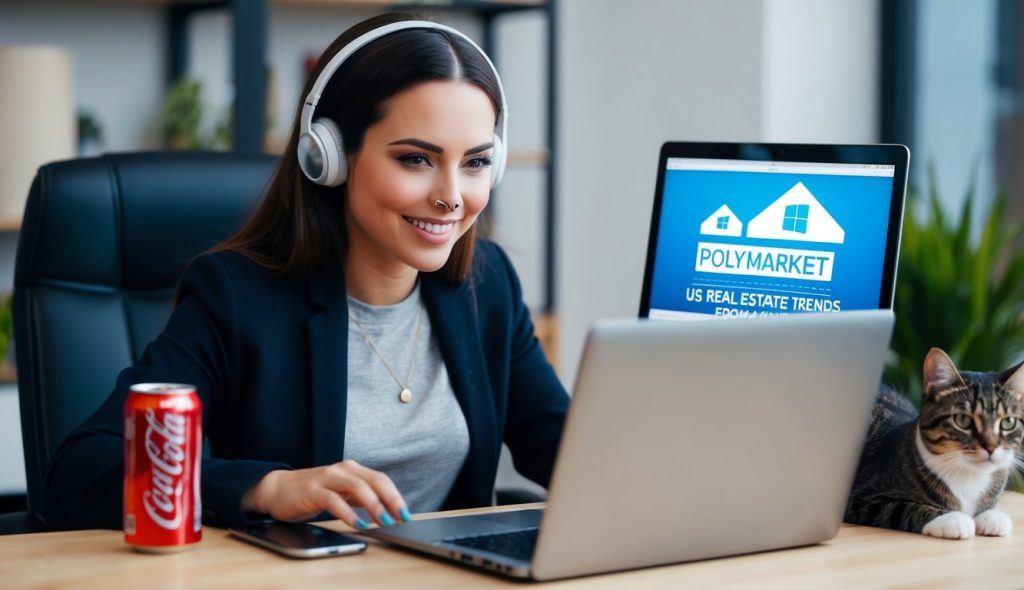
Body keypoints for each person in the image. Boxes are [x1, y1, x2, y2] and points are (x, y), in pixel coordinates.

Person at [42, 12, 569, 531]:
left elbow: (560, 446)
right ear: (329, 156)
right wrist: (265, 489)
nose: (451, 197)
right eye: (415, 159)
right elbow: (79, 471)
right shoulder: (238, 297)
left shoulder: (486, 281)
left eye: (476, 162)